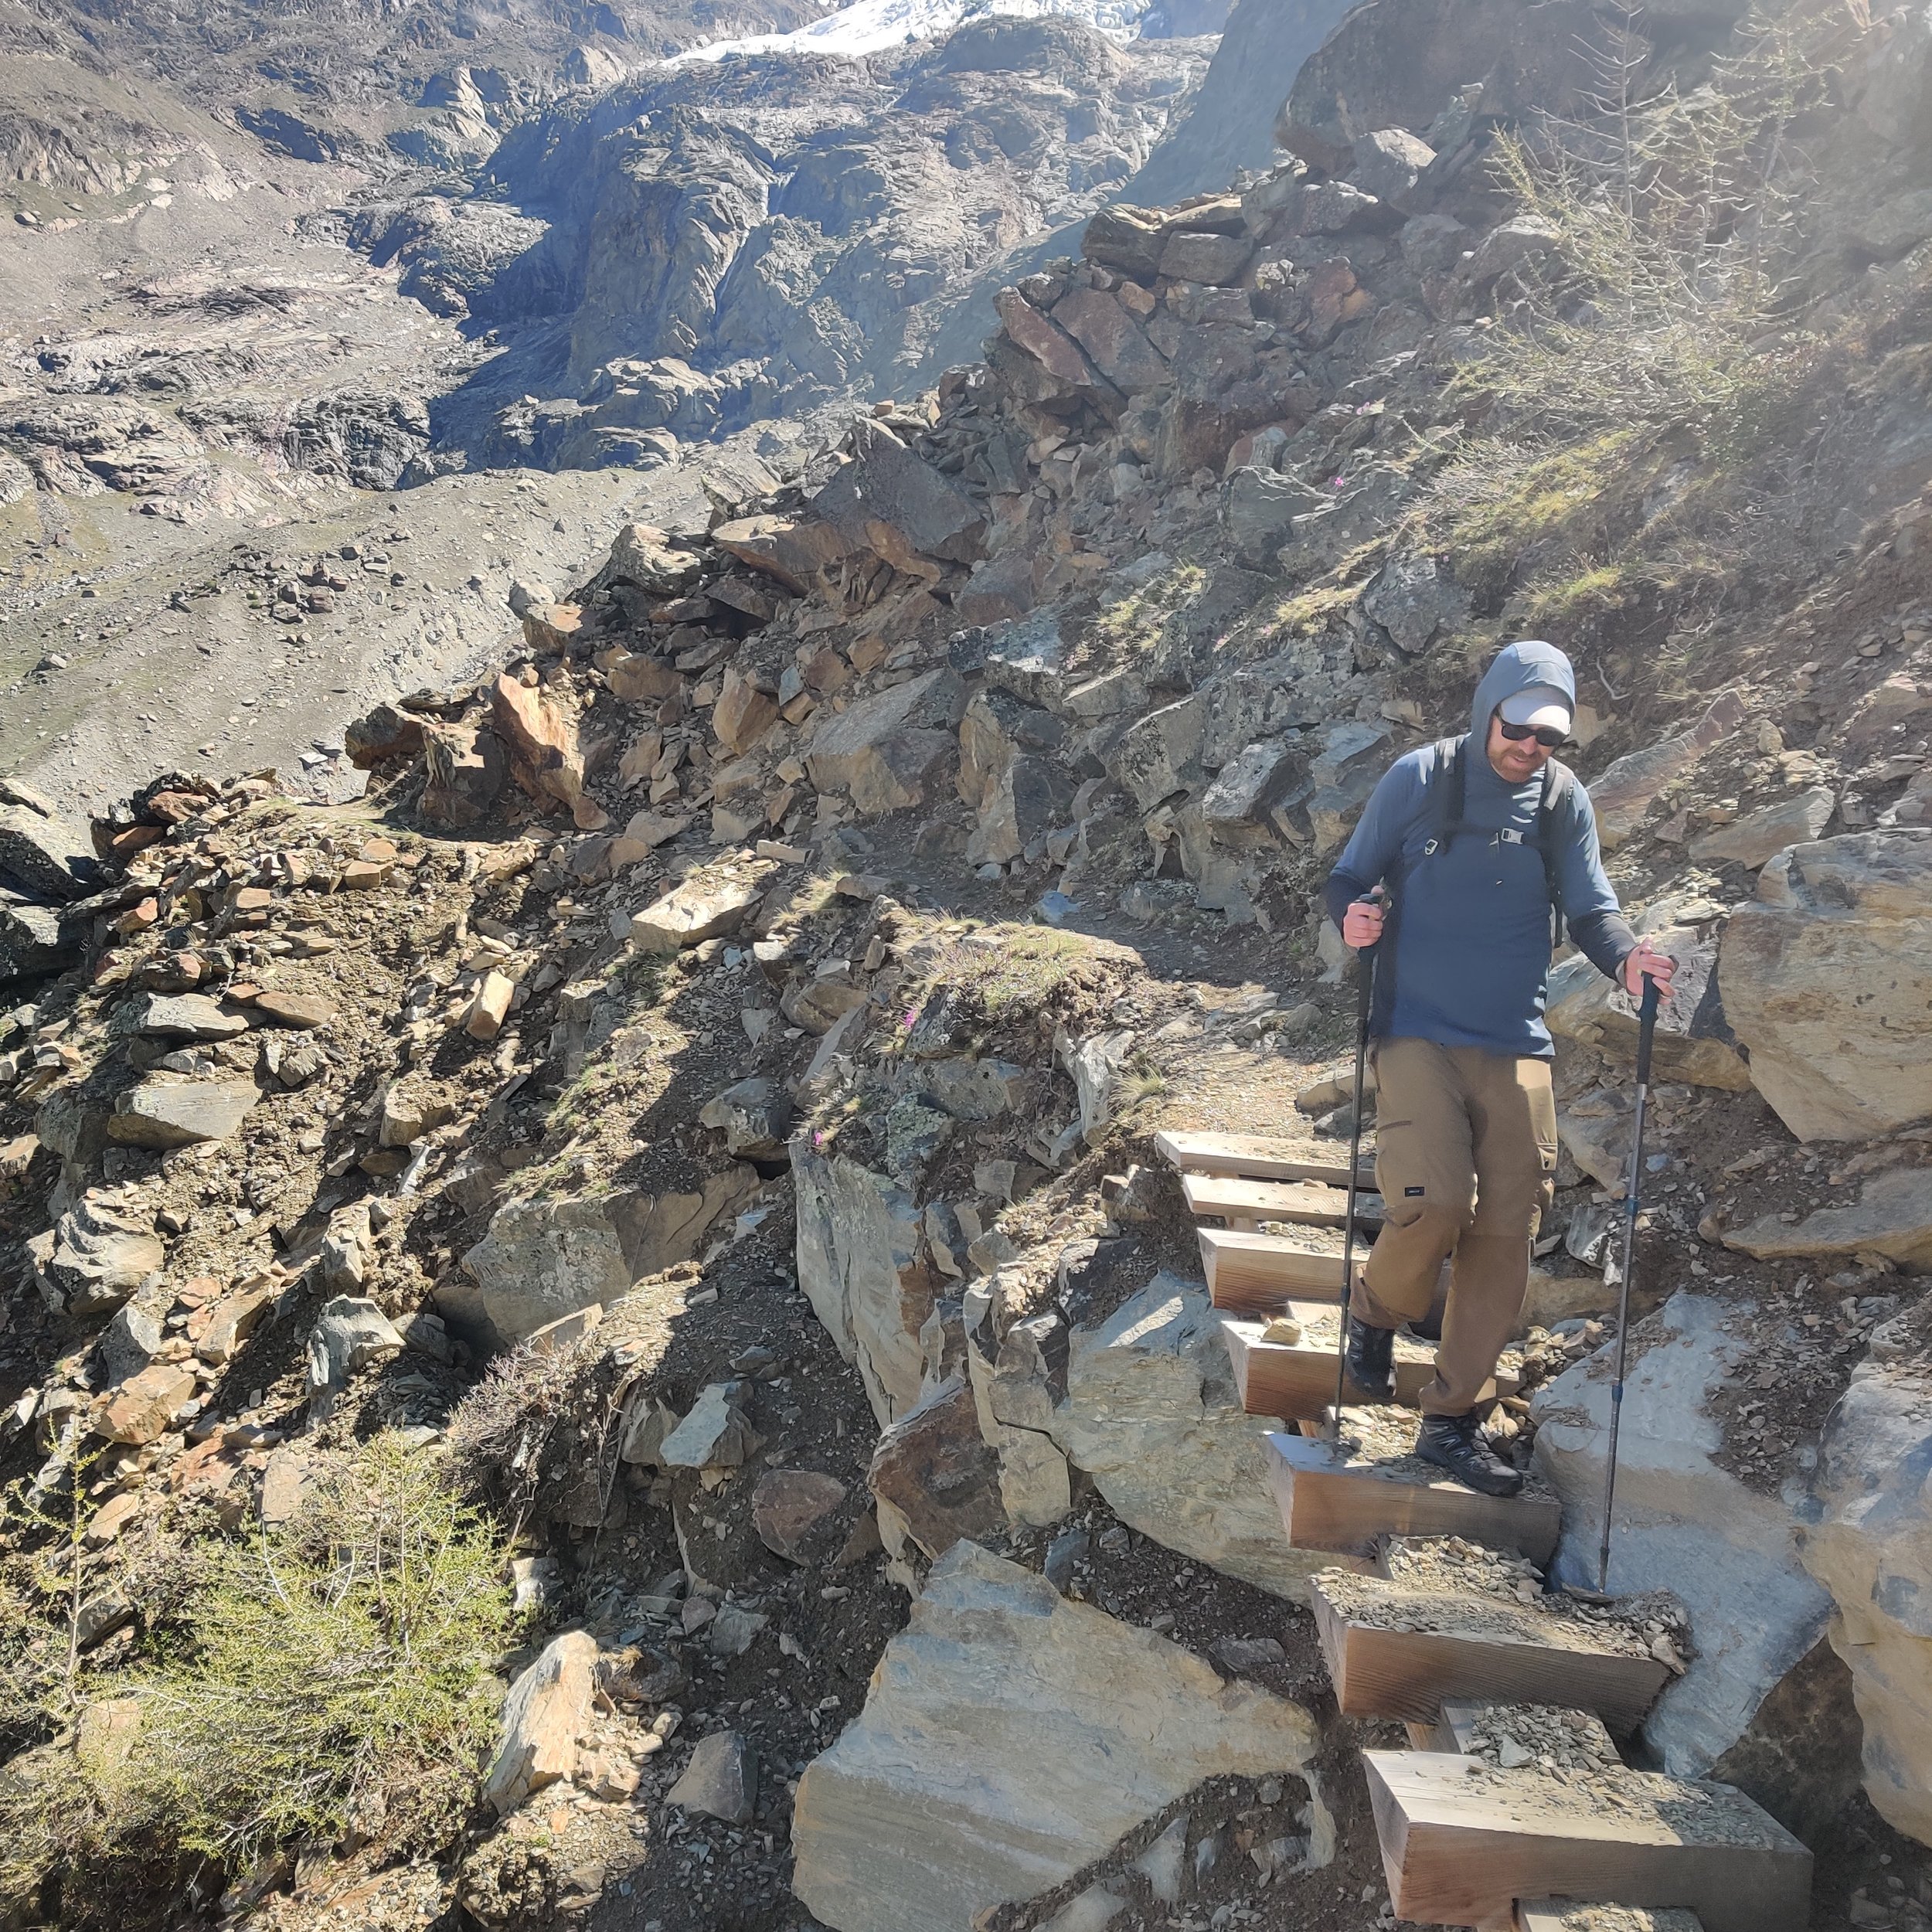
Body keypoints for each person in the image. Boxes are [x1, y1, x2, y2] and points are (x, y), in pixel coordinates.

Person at [1324, 640, 1675, 1496]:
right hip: (1414, 1029)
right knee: (1436, 1199)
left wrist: (1627, 958)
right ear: (1489, 709)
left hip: (1515, 1039)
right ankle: (1373, 1312)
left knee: (1507, 1229)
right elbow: (1347, 877)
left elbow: (1591, 905)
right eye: (1517, 727)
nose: (1528, 747)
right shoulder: (1420, 777)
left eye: (1546, 736)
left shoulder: (1560, 801)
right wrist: (1356, 920)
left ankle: (1452, 1420)